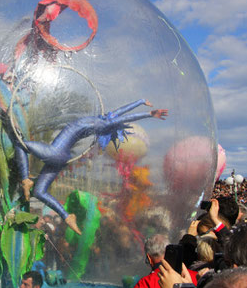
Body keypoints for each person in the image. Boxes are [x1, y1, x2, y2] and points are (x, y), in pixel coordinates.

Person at [17, 99, 168, 235]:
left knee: (20, 143)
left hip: (55, 153)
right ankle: (67, 216)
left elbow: (123, 118)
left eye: (113, 118)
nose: (112, 114)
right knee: (39, 192)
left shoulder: (103, 124)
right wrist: (140, 101)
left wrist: (148, 114)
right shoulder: (103, 119)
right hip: (60, 157)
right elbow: (120, 112)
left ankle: (25, 179)